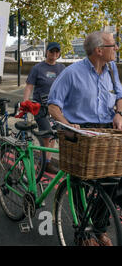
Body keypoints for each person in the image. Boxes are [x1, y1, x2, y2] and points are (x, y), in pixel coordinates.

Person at [48, 31, 122, 246]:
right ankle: (84, 234)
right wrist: (69, 126)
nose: (116, 48)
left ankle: (99, 228)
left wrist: (119, 114)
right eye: (113, 45)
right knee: (80, 181)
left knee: (114, 179)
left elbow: (120, 96)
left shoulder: (111, 68)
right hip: (81, 131)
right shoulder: (71, 73)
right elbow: (53, 105)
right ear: (99, 50)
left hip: (107, 131)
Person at [23, 42, 65, 174]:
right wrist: (25, 102)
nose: (54, 54)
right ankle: (44, 162)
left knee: (53, 134)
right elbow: (29, 85)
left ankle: (46, 161)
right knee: (47, 134)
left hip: (56, 107)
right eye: (51, 51)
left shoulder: (62, 68)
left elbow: (66, 86)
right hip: (40, 107)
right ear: (46, 52)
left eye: (57, 52)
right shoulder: (38, 68)